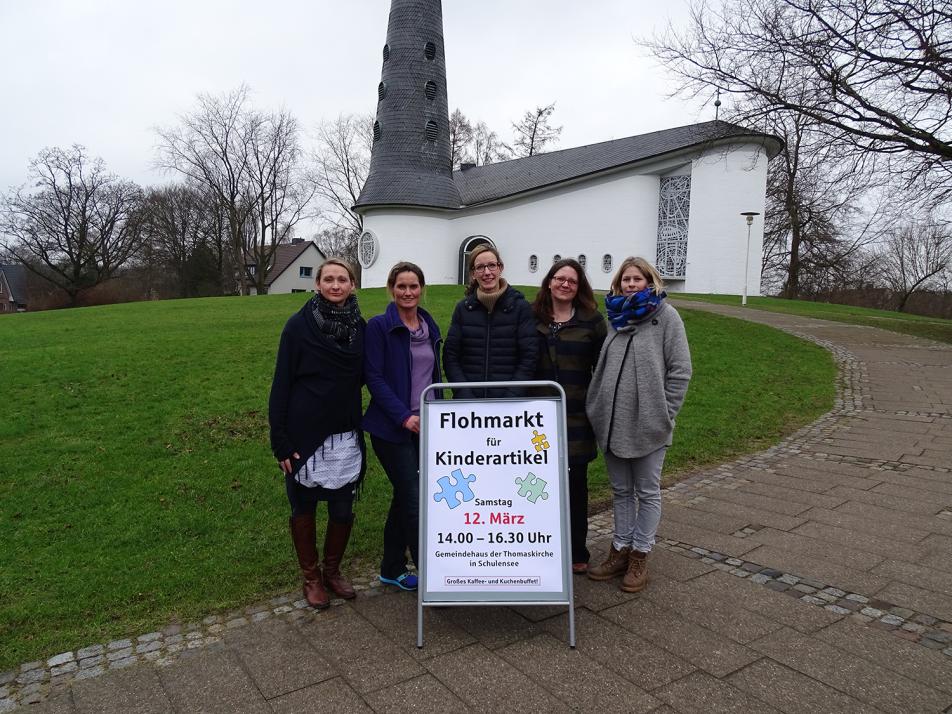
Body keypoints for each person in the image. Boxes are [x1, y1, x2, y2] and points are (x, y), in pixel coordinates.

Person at [585, 256, 692, 592]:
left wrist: (665, 413)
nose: (631, 285)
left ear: (650, 282)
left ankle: (640, 554)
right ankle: (620, 548)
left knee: (647, 491)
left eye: (637, 279)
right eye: (625, 280)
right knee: (621, 491)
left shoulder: (666, 318)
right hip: (614, 424)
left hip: (649, 425)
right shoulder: (615, 319)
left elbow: (680, 370)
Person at [268, 258, 366, 609]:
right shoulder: (298, 326)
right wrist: (280, 440)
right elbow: (281, 385)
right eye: (329, 279)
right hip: (304, 435)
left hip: (344, 434)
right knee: (304, 505)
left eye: (342, 279)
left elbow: (371, 376)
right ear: (318, 284)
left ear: (352, 284)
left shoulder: (360, 329)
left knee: (342, 508)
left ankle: (332, 571)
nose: (335, 285)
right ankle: (310, 578)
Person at [364, 262, 442, 592]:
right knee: (414, 498)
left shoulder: (430, 325)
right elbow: (374, 378)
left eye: (413, 286)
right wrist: (403, 416)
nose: (408, 292)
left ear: (421, 288)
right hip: (392, 428)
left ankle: (391, 568)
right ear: (391, 289)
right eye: (401, 287)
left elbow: (434, 374)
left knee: (404, 494)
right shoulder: (380, 327)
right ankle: (432, 573)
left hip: (425, 425)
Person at [532, 259, 607, 575]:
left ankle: (577, 550)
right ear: (549, 282)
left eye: (572, 281)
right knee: (535, 486)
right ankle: (538, 545)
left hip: (576, 416)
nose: (565, 284)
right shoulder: (531, 318)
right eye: (559, 278)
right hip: (535, 417)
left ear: (579, 287)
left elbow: (603, 369)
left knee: (575, 484)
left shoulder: (592, 322)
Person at [443, 245, 537, 397]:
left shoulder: (520, 308)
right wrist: (464, 393)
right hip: (470, 405)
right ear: (473, 273)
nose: (487, 272)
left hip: (510, 406)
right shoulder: (463, 309)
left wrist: (512, 395)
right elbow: (451, 355)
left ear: (500, 268)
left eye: (492, 266)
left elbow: (529, 356)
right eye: (480, 267)